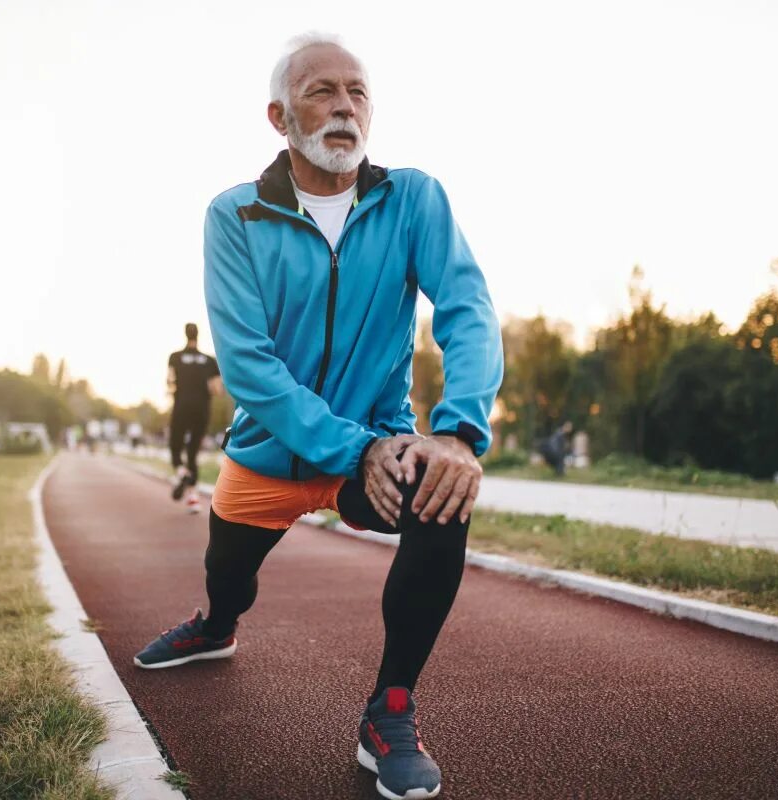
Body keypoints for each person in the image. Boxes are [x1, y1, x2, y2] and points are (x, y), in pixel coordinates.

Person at [134, 34, 503, 800]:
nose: (344, 107)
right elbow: (251, 369)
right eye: (321, 91)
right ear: (279, 116)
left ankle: (390, 709)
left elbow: (467, 310)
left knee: (442, 491)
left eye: (357, 92)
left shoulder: (413, 200)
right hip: (267, 456)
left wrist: (459, 431)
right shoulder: (234, 215)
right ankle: (217, 624)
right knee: (228, 577)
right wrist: (354, 447)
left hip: (377, 441)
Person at [168, 323, 222, 513]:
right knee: (192, 453)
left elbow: (169, 381)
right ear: (198, 336)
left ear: (185, 334)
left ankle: (182, 473)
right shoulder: (209, 360)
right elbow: (217, 389)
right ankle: (193, 499)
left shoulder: (175, 357)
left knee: (176, 447)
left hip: (181, 406)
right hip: (201, 409)